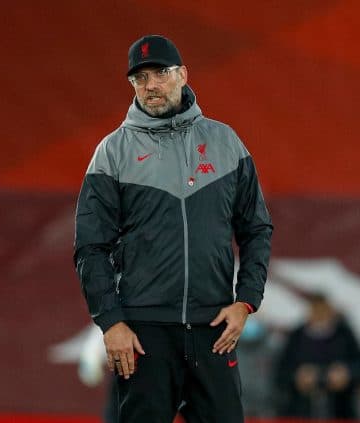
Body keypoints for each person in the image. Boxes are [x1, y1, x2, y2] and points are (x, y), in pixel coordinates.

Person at [73, 35, 273, 423]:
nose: (151, 86)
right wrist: (111, 322)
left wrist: (246, 300)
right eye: (140, 78)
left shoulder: (226, 142)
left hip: (213, 329)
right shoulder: (112, 152)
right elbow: (90, 247)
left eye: (160, 73)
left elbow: (256, 229)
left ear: (182, 74)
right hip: (144, 336)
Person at [274, 292, 360, 419]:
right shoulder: (296, 336)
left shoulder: (345, 335)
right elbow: (280, 372)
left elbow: (357, 364)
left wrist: (346, 373)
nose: (319, 314)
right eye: (315, 309)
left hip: (340, 409)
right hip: (300, 410)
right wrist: (297, 376)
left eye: (323, 310)